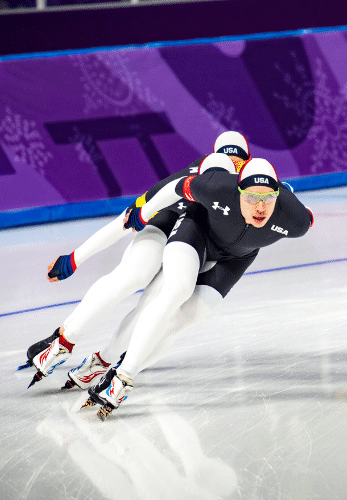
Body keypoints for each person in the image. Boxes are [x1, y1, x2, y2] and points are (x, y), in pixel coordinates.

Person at [85, 157, 314, 419]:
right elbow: (175, 186)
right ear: (238, 191)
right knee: (176, 290)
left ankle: (119, 373)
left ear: (278, 196)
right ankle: (123, 375)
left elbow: (307, 216)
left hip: (235, 259)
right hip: (195, 232)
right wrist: (144, 212)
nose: (260, 207)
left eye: (268, 198)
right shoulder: (217, 186)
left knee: (180, 323)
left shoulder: (295, 221)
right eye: (251, 197)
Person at [24, 132, 250, 387]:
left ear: (247, 162)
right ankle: (67, 339)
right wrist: (76, 257)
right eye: (227, 160)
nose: (230, 169)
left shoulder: (250, 190)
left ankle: (101, 359)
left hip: (195, 243)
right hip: (167, 224)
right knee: (133, 275)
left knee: (156, 301)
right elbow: (125, 220)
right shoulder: (185, 180)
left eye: (238, 162)